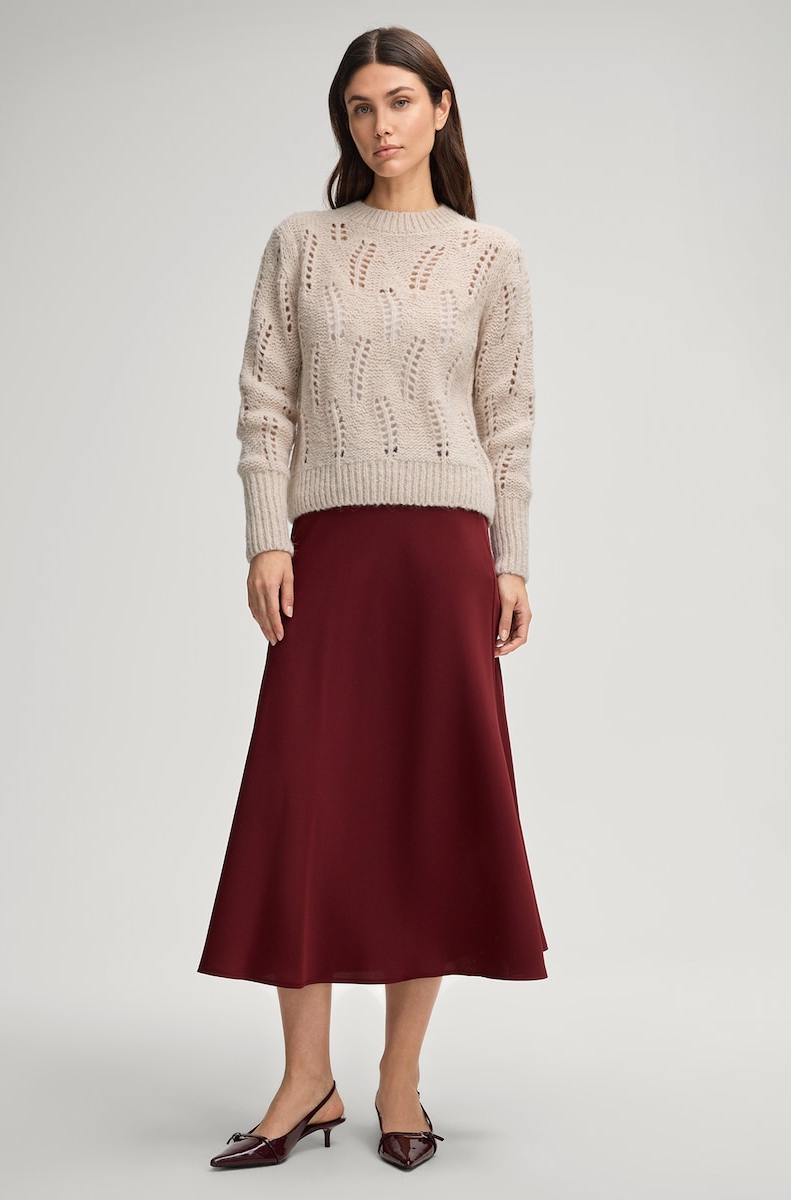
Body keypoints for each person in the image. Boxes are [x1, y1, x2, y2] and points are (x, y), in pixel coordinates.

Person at [198, 25, 548, 1171]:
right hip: (330, 548)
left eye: (400, 100)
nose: (380, 124)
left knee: (424, 803)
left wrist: (511, 559)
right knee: (304, 798)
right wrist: (267, 535)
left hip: (445, 554)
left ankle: (399, 1081)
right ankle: (307, 1081)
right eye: (360, 107)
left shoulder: (490, 256)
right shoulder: (301, 244)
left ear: (441, 110)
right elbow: (266, 399)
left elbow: (509, 419)